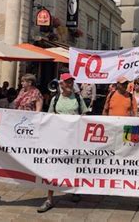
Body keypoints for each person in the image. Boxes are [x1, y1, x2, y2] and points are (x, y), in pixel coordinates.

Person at [38, 73, 87, 213]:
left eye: (71, 82)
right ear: (61, 84)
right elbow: (50, 117)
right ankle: (49, 199)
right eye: (67, 82)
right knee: (54, 168)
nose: (70, 84)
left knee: (74, 165)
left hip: (74, 139)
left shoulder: (78, 98)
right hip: (58, 139)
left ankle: (75, 191)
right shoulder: (55, 99)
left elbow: (84, 116)